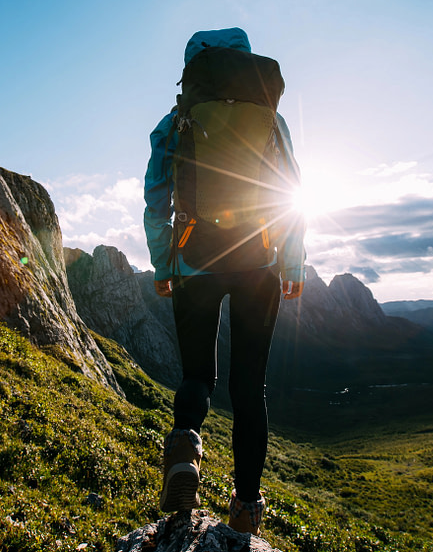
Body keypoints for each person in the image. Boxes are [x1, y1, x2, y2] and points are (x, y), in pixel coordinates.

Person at [143, 27, 305, 536]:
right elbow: (291, 191)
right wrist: (292, 264)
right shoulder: (271, 119)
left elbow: (156, 198)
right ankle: (246, 509)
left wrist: (164, 264)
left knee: (197, 375)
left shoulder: (175, 121)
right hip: (259, 261)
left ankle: (185, 449)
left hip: (196, 258)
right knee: (249, 386)